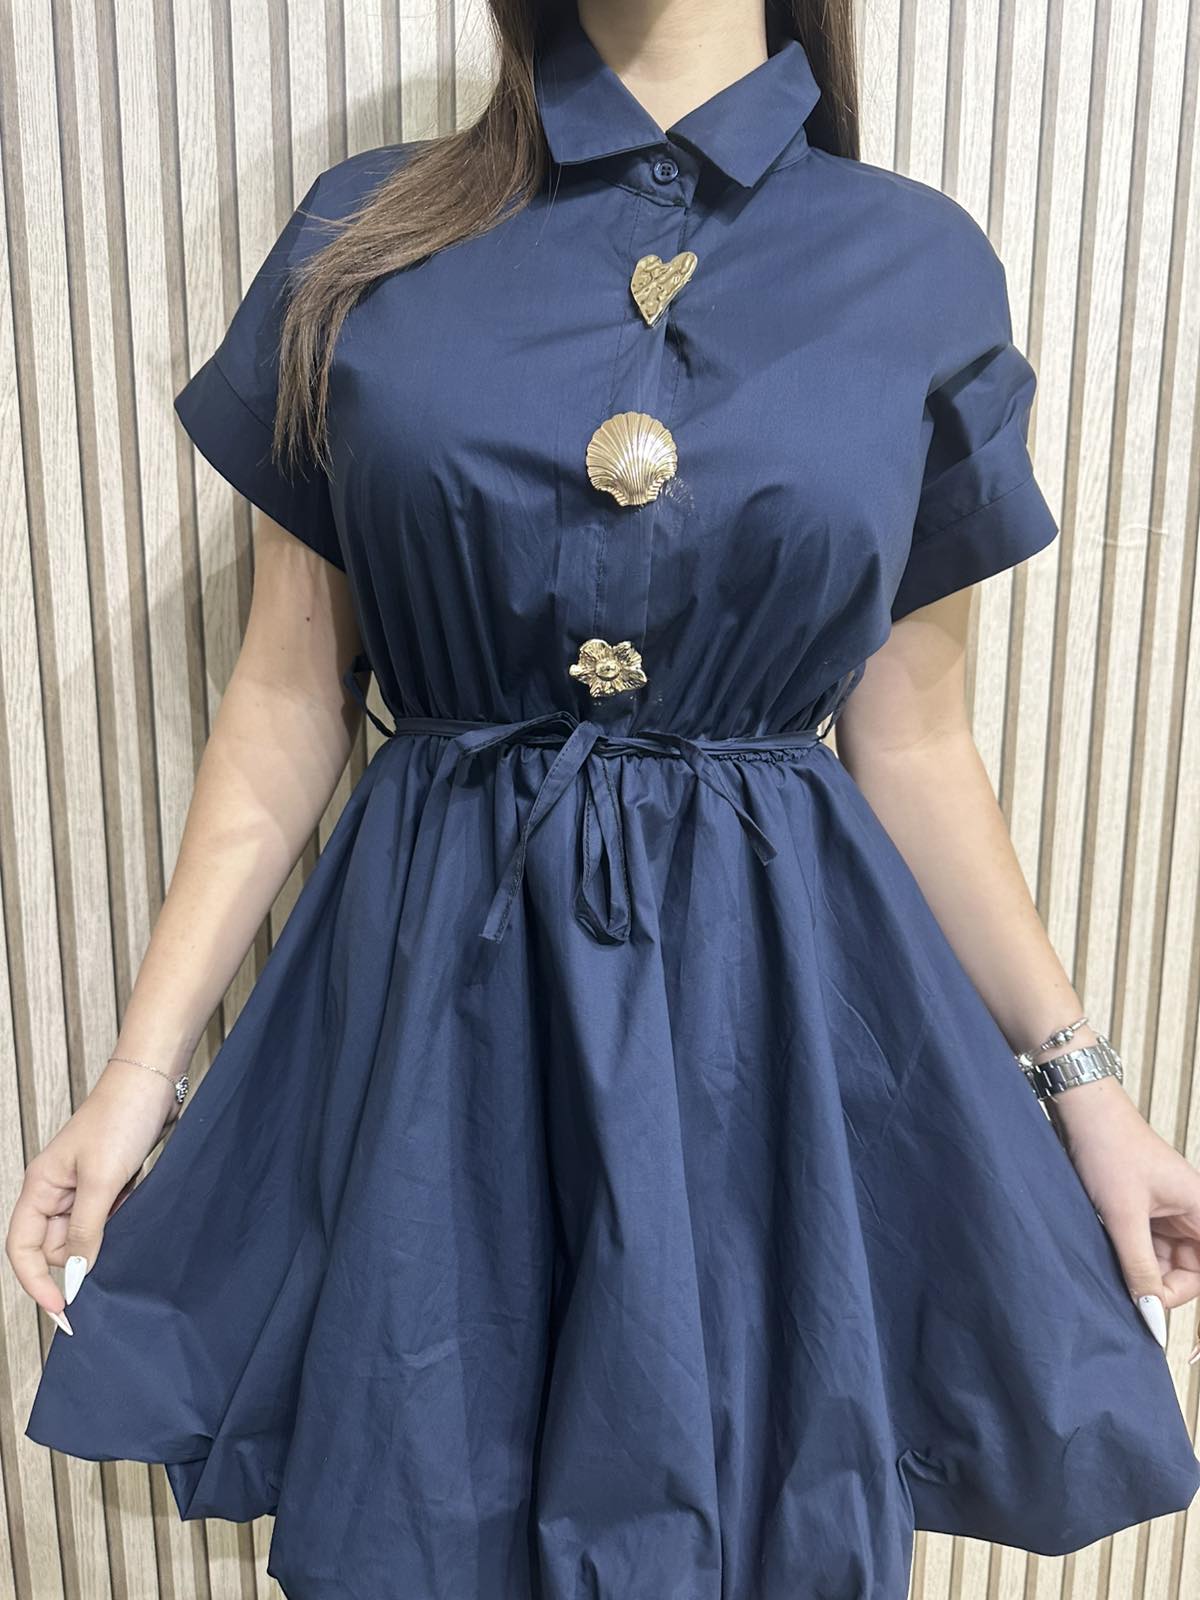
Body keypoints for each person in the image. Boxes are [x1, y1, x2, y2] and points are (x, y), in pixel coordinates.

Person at [11, 0, 1200, 1595]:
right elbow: (287, 700)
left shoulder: (916, 264)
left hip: (757, 1039)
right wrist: (136, 1082)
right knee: (429, 1497)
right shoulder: (366, 238)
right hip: (442, 1024)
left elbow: (915, 746)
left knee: (751, 1515)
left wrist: (1086, 1088)